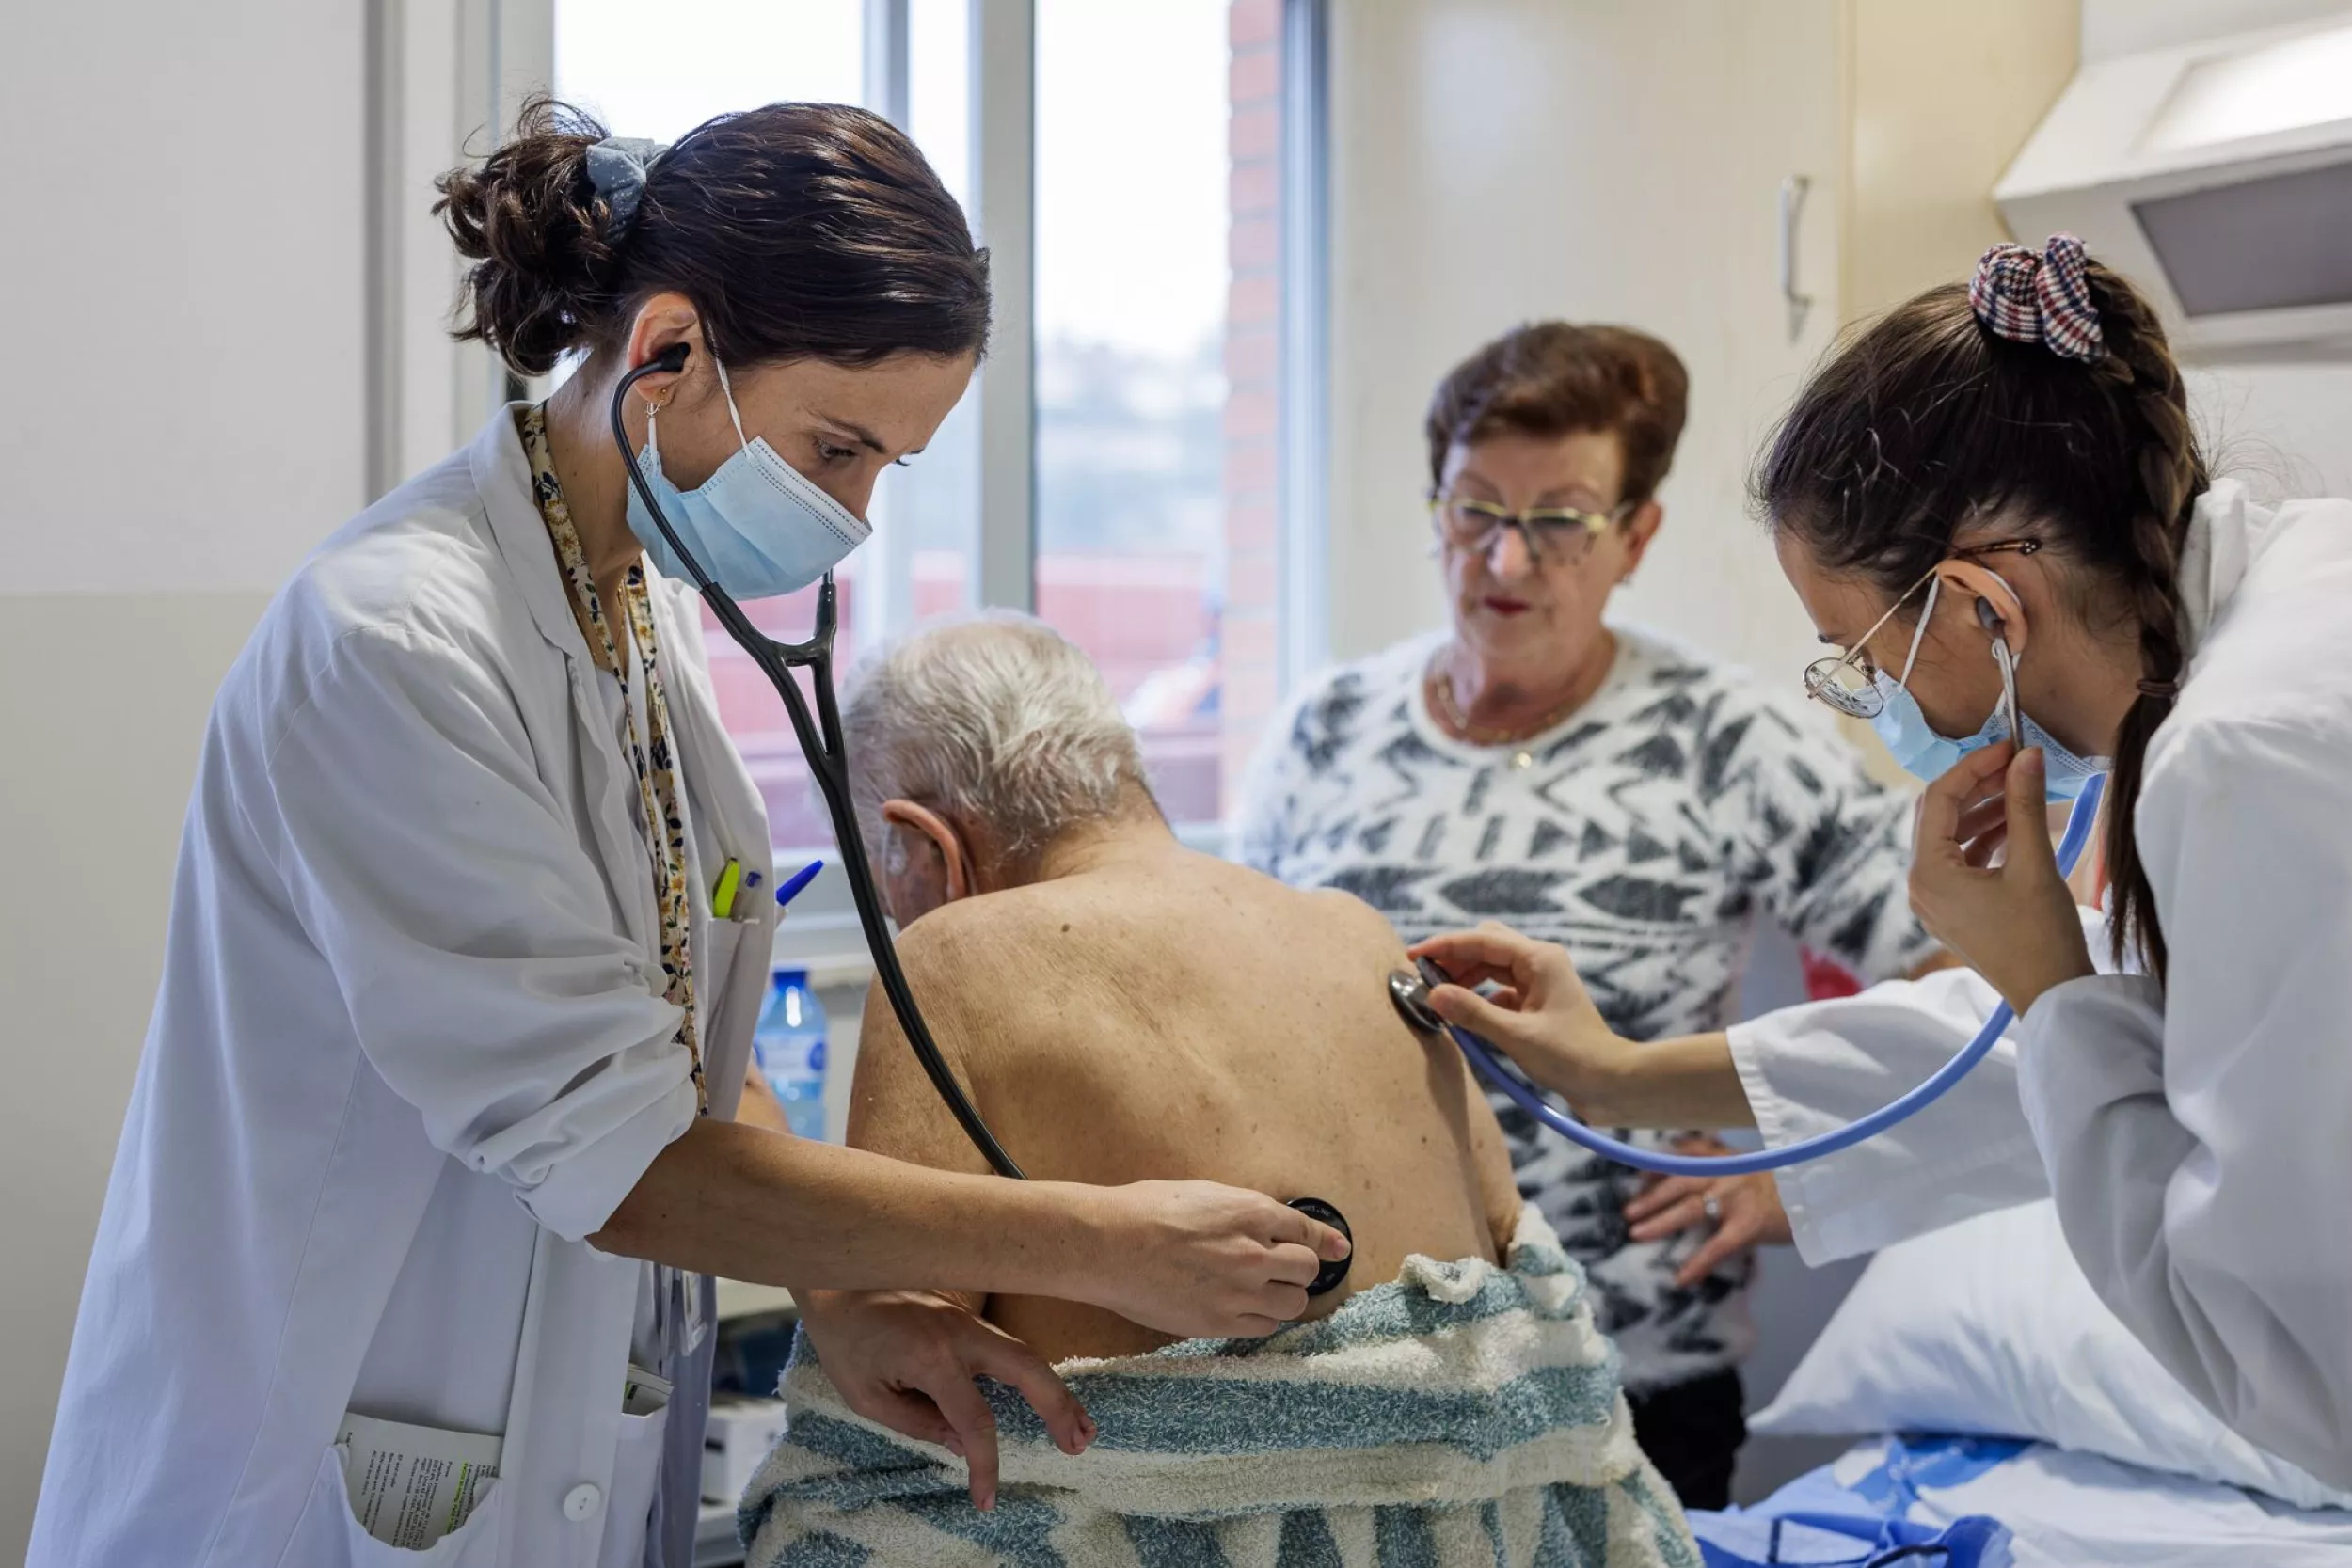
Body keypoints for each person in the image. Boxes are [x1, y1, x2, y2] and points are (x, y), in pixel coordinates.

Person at [28, 100, 1342, 1568]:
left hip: (557, 1456)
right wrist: (1099, 1240)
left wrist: (847, 1299)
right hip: (297, 1480)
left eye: (881, 470)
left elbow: (675, 1042)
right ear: (664, 351)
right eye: (834, 448)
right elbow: (626, 1153)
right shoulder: (398, 641)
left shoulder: (632, 607)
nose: (847, 517)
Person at [1413, 236, 2352, 1491]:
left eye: (1856, 655)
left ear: (1982, 606)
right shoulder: (2277, 612)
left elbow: (2297, 1364)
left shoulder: (2246, 758)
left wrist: (2048, 982)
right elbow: (2098, 1040)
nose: (1870, 702)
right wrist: (1624, 1071)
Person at [743, 613, 1699, 1564]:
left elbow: (891, 1384)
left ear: (921, 845)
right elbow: (1509, 1299)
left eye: (883, 880)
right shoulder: (1355, 932)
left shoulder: (949, 958)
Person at [1236, 322, 1937, 1507]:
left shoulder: (1728, 737)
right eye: (1473, 512)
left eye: (1559, 520)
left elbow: (1957, 974)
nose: (1505, 563)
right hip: (1350, 1371)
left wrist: (1797, 1172)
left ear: (1635, 535)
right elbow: (1235, 1001)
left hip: (1630, 1380)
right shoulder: (1325, 730)